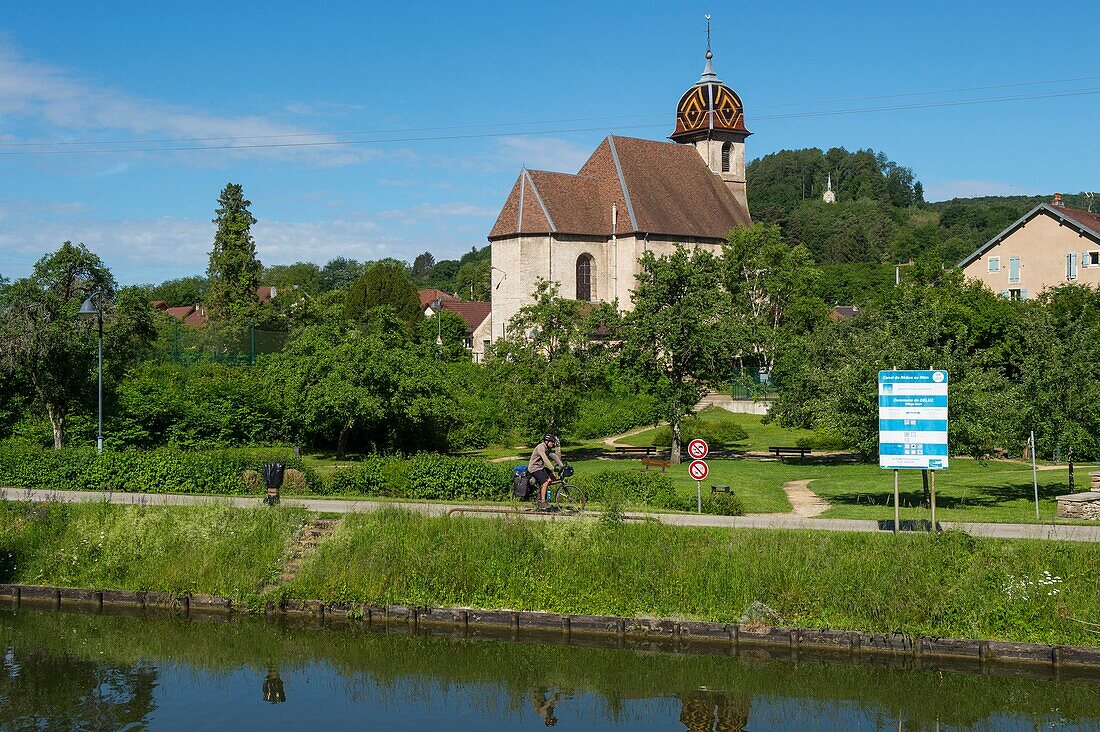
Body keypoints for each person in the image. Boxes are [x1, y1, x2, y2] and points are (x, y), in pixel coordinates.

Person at [528, 433, 565, 510]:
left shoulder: (547, 448)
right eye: (552, 442)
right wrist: (551, 467)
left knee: (553, 478)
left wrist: (561, 465)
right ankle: (542, 502)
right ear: (547, 441)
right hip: (534, 468)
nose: (554, 444)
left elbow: (554, 456)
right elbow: (545, 459)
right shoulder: (541, 447)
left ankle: (541, 492)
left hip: (540, 468)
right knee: (545, 482)